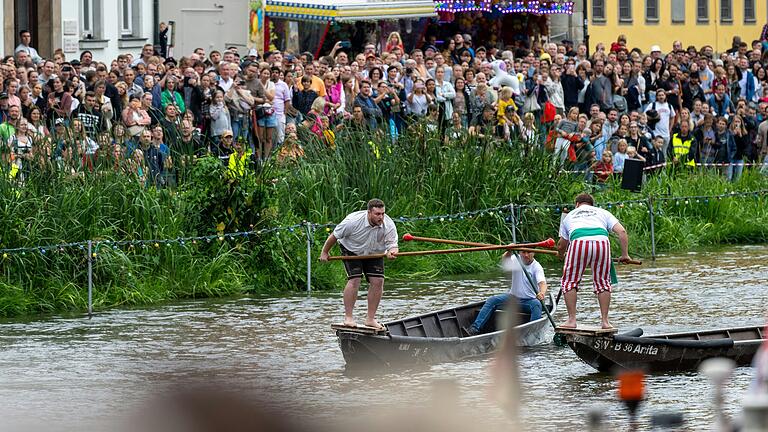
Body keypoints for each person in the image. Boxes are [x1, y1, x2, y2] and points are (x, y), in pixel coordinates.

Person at [319, 199, 399, 330]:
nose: (381, 217)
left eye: (383, 214)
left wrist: (392, 253)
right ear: (369, 212)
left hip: (374, 252)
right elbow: (334, 236)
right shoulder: (352, 222)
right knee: (355, 280)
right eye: (377, 214)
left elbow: (393, 246)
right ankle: (348, 318)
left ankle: (370, 319)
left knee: (378, 281)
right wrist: (324, 252)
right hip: (351, 249)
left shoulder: (388, 224)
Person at [558, 193, 631, 329]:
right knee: (602, 283)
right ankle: (605, 321)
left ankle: (572, 320)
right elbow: (622, 232)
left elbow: (562, 244)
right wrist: (624, 255)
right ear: (592, 204)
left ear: (577, 204)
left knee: (569, 282)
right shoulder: (602, 212)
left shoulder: (570, 215)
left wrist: (561, 255)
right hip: (602, 242)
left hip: (579, 241)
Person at [464, 250, 548, 336]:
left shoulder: (537, 267)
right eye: (523, 252)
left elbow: (542, 283)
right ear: (519, 252)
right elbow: (505, 259)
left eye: (528, 252)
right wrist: (509, 250)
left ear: (534, 253)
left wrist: (541, 293)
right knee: (491, 300)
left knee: (537, 304)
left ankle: (531, 334)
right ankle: (474, 328)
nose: (526, 255)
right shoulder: (516, 259)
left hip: (529, 301)